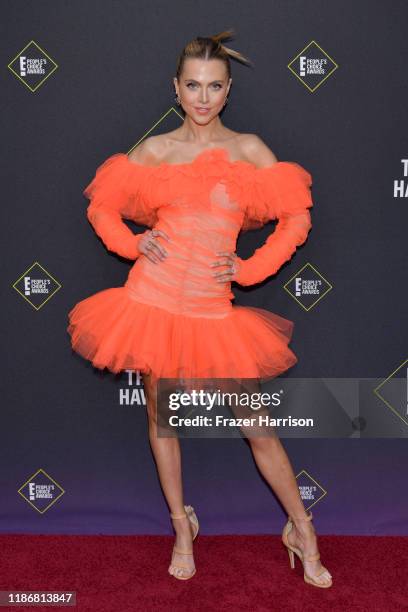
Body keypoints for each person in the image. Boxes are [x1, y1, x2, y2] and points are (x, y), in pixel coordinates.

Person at [67, 29, 332, 587]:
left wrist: (251, 269)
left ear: (228, 90)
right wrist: (130, 243)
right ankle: (182, 526)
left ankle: (302, 528)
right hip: (152, 299)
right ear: (177, 88)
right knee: (162, 421)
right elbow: (103, 207)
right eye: (193, 85)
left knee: (258, 425)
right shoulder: (157, 150)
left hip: (214, 310)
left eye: (214, 86)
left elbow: (297, 217)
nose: (203, 97)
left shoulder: (250, 149)